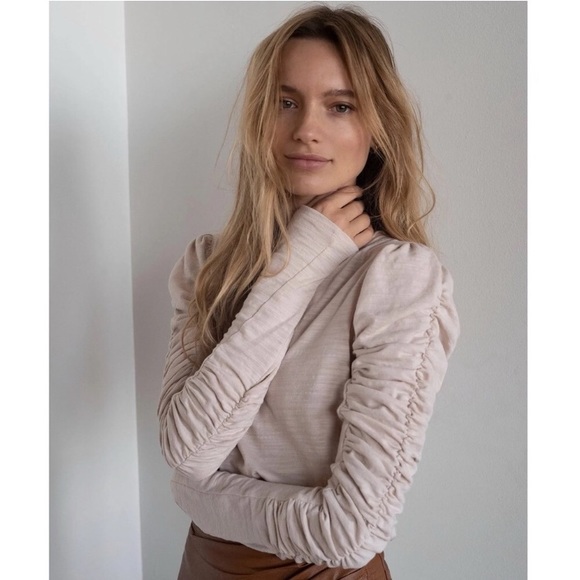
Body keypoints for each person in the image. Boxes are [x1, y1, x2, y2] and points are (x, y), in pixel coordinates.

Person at [158, 5, 459, 579]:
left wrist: (197, 495)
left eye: (340, 106)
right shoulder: (207, 266)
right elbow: (187, 449)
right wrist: (295, 267)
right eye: (285, 101)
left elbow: (350, 533)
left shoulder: (397, 277)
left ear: (377, 127)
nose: (306, 130)